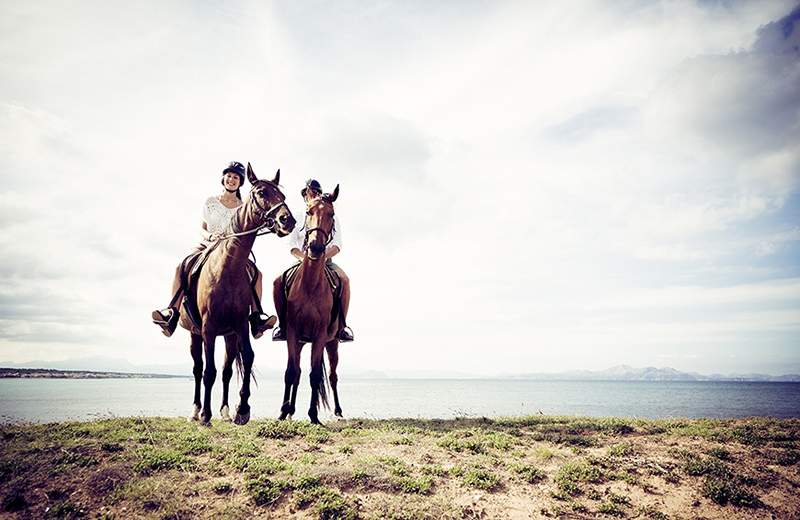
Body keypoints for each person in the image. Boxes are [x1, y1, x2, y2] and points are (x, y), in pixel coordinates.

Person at [151, 161, 276, 338]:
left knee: (257, 274)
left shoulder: (243, 206)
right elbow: (201, 228)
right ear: (224, 178)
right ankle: (171, 313)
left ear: (240, 182)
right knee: (181, 266)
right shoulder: (211, 202)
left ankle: (257, 318)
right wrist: (209, 237)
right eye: (229, 176)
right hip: (207, 246)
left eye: (236, 177)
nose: (232, 180)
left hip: (231, 253)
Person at [272, 179, 354, 342]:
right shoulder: (297, 216)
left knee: (344, 280)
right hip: (302, 261)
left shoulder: (330, 214)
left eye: (316, 193)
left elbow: (337, 245)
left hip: (326, 261)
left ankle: (342, 327)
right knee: (277, 282)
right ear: (305, 197)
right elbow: (292, 245)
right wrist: (306, 259)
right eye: (308, 194)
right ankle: (282, 326)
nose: (312, 196)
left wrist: (321, 259)